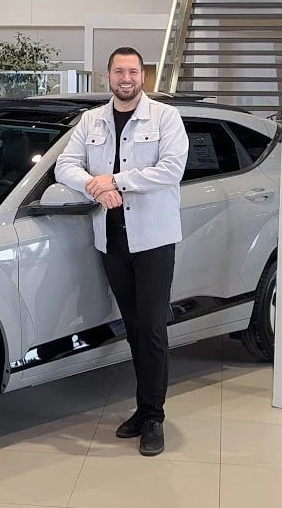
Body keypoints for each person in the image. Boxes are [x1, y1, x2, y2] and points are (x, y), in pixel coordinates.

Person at [54, 47, 189, 456]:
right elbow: (64, 165)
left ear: (142, 77)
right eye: (118, 71)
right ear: (108, 77)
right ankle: (143, 406)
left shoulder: (166, 117)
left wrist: (115, 180)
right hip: (111, 239)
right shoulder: (91, 120)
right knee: (132, 328)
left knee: (150, 328)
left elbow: (171, 170)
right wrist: (95, 185)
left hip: (153, 240)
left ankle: (153, 417)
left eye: (132, 71)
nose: (125, 78)